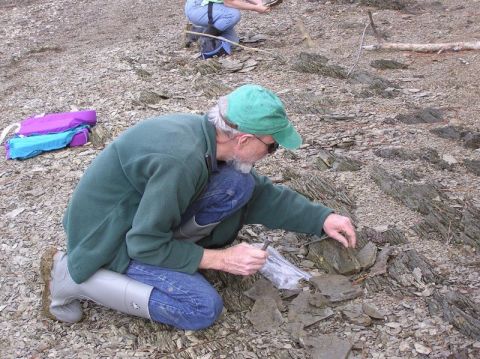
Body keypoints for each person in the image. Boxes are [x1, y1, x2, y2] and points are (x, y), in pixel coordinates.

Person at [41, 84, 356, 331]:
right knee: (201, 308)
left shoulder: (204, 138)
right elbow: (144, 243)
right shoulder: (181, 161)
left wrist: (322, 218)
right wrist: (221, 259)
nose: (272, 152)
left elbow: (259, 195)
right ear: (245, 140)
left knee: (241, 184)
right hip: (107, 240)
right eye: (272, 146)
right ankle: (71, 275)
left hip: (135, 221)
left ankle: (173, 254)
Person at [184, 0, 270, 56]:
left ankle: (197, 31)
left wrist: (260, 3)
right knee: (232, 14)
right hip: (198, 7)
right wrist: (255, 8)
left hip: (210, 7)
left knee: (232, 42)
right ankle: (206, 38)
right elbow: (229, 2)